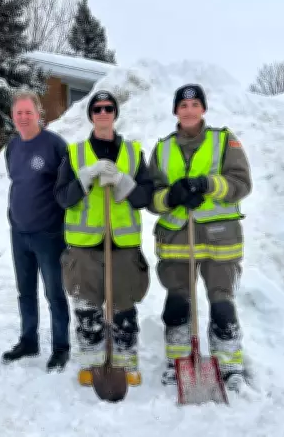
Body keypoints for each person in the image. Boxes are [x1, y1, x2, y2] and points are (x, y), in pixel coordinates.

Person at [146, 84, 252, 390]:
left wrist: (208, 184)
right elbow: (151, 197)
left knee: (222, 303)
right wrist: (172, 196)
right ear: (175, 111)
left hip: (220, 240)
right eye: (183, 105)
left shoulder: (224, 141)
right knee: (177, 302)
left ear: (203, 109)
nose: (189, 110)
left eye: (195, 104)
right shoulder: (163, 148)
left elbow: (242, 183)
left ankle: (229, 363)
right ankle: (178, 360)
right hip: (177, 239)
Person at [54, 90, 154, 386]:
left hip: (122, 246)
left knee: (123, 307)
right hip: (84, 248)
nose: (103, 113)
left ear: (115, 114)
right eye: (97, 109)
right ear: (90, 115)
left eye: (108, 108)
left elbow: (145, 197)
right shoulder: (75, 154)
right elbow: (62, 198)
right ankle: (91, 362)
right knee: (87, 308)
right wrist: (84, 178)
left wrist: (123, 182)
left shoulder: (133, 153)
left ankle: (125, 361)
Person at [2, 89, 71, 372]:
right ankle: (29, 340)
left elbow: (68, 187)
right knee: (25, 291)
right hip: (19, 233)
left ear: (39, 113)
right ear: (12, 115)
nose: (23, 117)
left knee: (54, 293)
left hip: (49, 234)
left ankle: (61, 347)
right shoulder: (12, 147)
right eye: (18, 112)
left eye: (28, 112)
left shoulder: (55, 145)